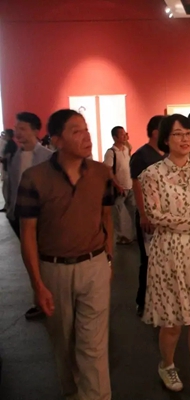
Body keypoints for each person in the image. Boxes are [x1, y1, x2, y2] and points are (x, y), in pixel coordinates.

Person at [16, 109, 114, 400]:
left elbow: (106, 217)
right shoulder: (34, 178)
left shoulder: (101, 173)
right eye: (76, 131)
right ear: (57, 140)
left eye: (86, 129)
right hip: (53, 270)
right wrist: (37, 284)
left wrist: (108, 259)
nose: (86, 136)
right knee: (64, 345)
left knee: (93, 347)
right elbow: (28, 233)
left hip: (94, 265)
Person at [140, 114, 190, 400]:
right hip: (168, 253)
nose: (185, 139)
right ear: (165, 139)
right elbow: (155, 216)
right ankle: (167, 365)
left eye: (188, 134)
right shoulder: (152, 174)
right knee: (171, 321)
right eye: (177, 134)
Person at [6, 112, 53, 321]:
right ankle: (40, 298)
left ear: (35, 131)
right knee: (31, 258)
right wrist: (10, 208)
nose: (18, 132)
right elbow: (11, 184)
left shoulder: (47, 157)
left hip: (41, 217)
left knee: (42, 259)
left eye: (23, 128)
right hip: (19, 216)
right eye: (17, 128)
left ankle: (45, 300)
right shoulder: (16, 156)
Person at [130, 115, 166, 317]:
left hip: (164, 216)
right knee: (148, 259)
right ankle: (143, 300)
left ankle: (160, 298)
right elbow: (136, 185)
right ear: (155, 132)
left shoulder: (166, 154)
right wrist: (143, 214)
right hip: (148, 216)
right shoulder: (141, 156)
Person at [103, 125, 135, 244]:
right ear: (115, 137)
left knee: (133, 212)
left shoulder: (126, 149)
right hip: (119, 189)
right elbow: (108, 170)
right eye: (122, 134)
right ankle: (121, 237)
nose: (124, 136)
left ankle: (133, 235)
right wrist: (117, 185)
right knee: (119, 214)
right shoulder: (111, 153)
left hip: (129, 186)